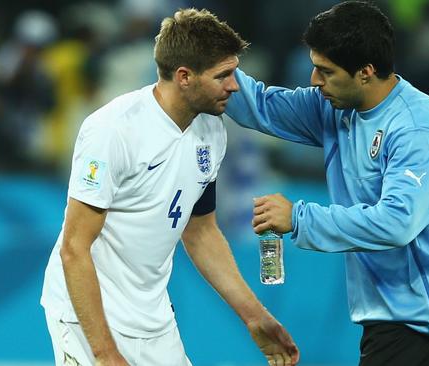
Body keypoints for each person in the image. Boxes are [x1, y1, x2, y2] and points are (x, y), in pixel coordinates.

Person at [40, 8, 299, 366]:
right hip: (87, 318)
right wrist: (104, 355)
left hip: (152, 317)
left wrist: (255, 315)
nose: (235, 86)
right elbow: (74, 248)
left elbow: (201, 232)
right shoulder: (113, 130)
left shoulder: (211, 132)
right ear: (184, 77)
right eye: (223, 75)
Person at [224, 1, 429, 365]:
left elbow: (397, 222)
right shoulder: (335, 106)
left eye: (325, 71)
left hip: (423, 324)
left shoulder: (415, 128)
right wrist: (211, 61)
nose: (314, 80)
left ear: (365, 72)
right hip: (386, 317)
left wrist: (299, 218)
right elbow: (261, 106)